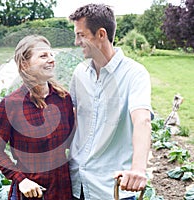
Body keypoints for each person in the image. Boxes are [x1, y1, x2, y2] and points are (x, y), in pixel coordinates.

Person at [68, 4, 153, 200]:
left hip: (111, 188)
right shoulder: (79, 73)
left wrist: (139, 169)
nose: (76, 41)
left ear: (101, 34)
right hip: (77, 182)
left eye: (81, 35)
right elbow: (73, 118)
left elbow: (142, 121)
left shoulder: (134, 74)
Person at [0, 35, 75, 200]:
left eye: (51, 55)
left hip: (62, 190)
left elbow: (72, 141)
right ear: (25, 64)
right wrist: (21, 180)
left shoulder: (63, 99)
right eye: (43, 56)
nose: (51, 60)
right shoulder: (11, 105)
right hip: (32, 192)